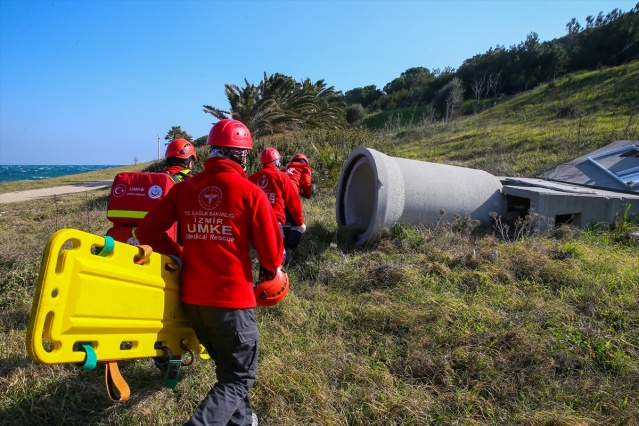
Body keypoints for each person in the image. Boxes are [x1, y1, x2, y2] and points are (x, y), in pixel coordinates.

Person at [136, 118, 284, 426]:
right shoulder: (250, 192)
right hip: (232, 304)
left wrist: (181, 254)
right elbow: (272, 255)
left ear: (212, 151)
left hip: (192, 301)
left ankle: (242, 421)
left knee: (228, 370)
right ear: (242, 155)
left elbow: (148, 230)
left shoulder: (185, 188)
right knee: (239, 377)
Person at [248, 147, 305, 264]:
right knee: (277, 259)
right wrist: (299, 223)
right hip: (274, 223)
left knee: (262, 255)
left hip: (255, 225)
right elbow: (293, 202)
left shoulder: (253, 178)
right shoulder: (282, 177)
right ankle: (278, 279)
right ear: (277, 161)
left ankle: (263, 278)